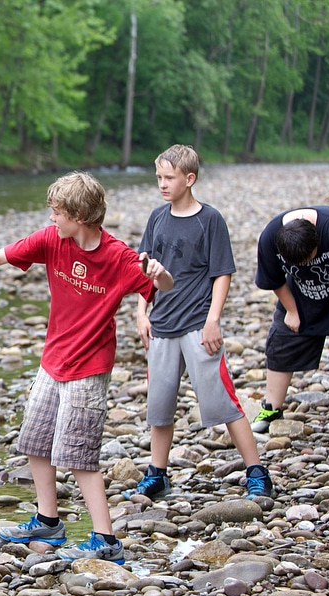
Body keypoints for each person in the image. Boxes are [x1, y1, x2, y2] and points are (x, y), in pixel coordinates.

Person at [0, 171, 174, 564]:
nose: (51, 218)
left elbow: (165, 287)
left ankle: (106, 540)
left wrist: (159, 273)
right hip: (52, 362)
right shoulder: (53, 240)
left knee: (78, 455)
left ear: (80, 216)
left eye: (57, 212)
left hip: (89, 367)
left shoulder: (118, 257)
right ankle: (47, 521)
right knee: (35, 442)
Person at [125, 145, 273, 502]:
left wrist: (213, 321)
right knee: (159, 406)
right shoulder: (157, 218)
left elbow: (222, 274)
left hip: (196, 325)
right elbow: (147, 269)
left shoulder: (210, 220)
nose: (161, 184)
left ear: (189, 179)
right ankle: (157, 474)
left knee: (222, 400)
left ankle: (257, 472)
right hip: (160, 326)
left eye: (169, 178)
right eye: (158, 177)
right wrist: (140, 311)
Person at [252, 205, 329, 443]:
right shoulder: (270, 238)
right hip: (302, 293)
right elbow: (273, 279)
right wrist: (292, 311)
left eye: (307, 259)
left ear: (317, 242)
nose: (303, 265)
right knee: (281, 342)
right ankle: (271, 409)